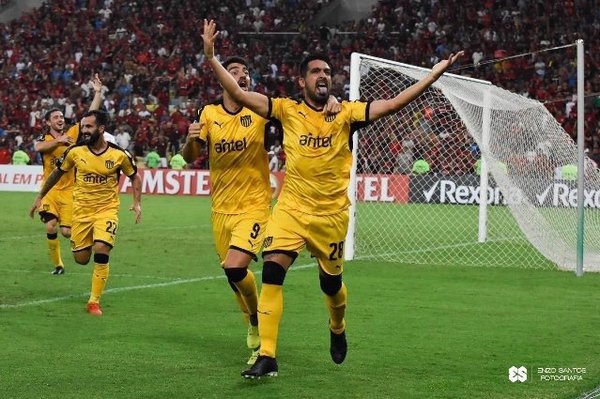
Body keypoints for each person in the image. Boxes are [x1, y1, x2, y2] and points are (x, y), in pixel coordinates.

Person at [202, 19, 463, 378]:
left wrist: (432, 77)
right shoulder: (285, 110)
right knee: (273, 273)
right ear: (302, 81)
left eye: (327, 71)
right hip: (291, 210)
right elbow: (243, 96)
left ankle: (337, 327)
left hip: (330, 216)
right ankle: (267, 355)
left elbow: (392, 105)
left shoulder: (346, 114)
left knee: (331, 285)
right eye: (315, 72)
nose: (323, 76)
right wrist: (212, 57)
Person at [181, 55, 340, 366]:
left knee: (234, 267)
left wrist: (330, 97)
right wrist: (190, 140)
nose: (243, 76)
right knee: (232, 275)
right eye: (235, 71)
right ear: (224, 79)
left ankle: (259, 328)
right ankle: (254, 324)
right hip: (220, 210)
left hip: (255, 205)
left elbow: (303, 104)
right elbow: (191, 156)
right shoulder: (209, 114)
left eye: (246, 72)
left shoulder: (260, 112)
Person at [29, 110, 142, 316]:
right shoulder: (75, 152)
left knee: (102, 247)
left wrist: (137, 203)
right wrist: (39, 196)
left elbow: (135, 176)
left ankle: (93, 301)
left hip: (106, 210)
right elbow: (56, 173)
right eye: (83, 127)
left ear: (101, 129)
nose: (84, 130)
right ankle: (89, 241)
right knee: (81, 259)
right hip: (81, 212)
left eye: (89, 127)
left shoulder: (119, 154)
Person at [34, 74, 104, 275]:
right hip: (50, 189)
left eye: (61, 117)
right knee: (50, 226)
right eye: (55, 117)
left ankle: (89, 239)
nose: (60, 119)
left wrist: (98, 92)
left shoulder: (74, 133)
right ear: (48, 122)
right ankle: (58, 265)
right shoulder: (45, 138)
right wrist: (58, 141)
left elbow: (91, 114)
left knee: (66, 232)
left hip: (70, 190)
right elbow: (39, 147)